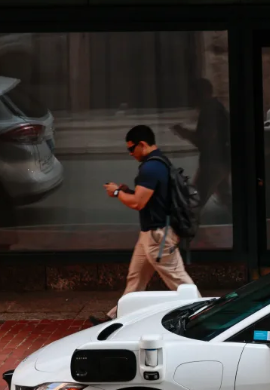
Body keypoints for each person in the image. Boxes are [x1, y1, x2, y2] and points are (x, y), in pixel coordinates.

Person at [90, 125, 194, 325]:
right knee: (136, 279)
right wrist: (127, 191)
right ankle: (115, 319)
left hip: (158, 237)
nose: (130, 153)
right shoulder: (160, 162)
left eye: (132, 148)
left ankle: (203, 314)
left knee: (179, 281)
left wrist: (117, 193)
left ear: (143, 144)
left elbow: (138, 202)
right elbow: (151, 198)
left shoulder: (150, 168)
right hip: (150, 234)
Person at [171, 78, 231, 215]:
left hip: (214, 162)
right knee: (224, 197)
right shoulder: (214, 107)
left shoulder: (210, 110)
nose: (190, 98)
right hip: (219, 161)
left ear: (201, 93)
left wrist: (184, 133)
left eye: (192, 94)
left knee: (193, 203)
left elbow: (204, 140)